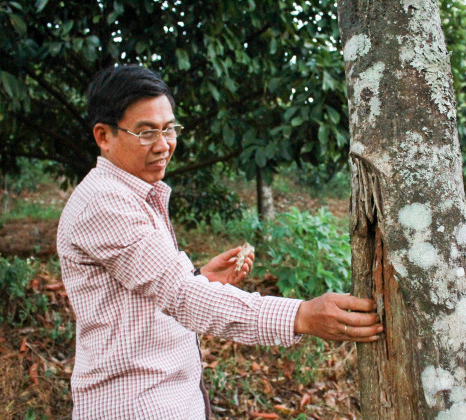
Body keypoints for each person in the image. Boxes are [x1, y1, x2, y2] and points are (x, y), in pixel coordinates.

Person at [57, 64, 383, 419]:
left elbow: (153, 288)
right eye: (146, 132)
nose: (164, 145)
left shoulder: (132, 194)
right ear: (104, 136)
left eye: (169, 129)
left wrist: (201, 278)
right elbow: (181, 295)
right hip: (137, 404)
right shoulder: (105, 203)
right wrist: (300, 316)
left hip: (168, 397)